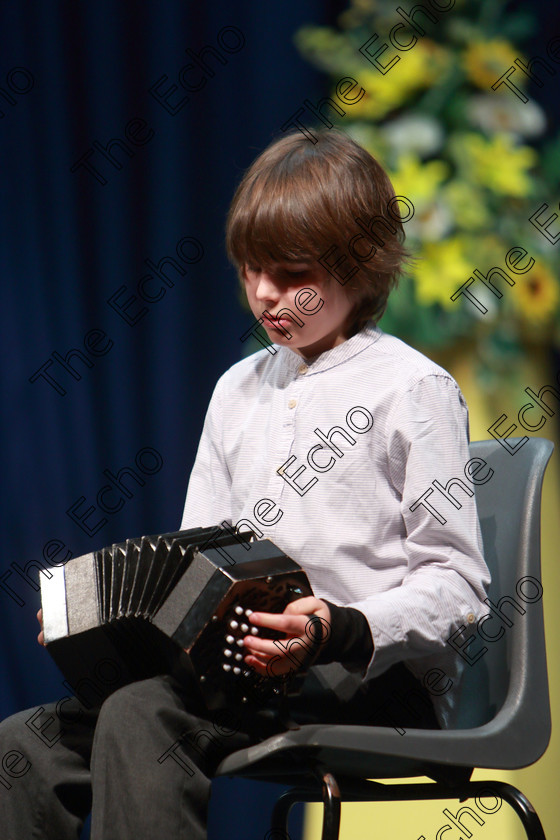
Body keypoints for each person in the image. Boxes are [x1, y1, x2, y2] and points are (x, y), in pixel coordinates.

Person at [0, 129, 490, 840]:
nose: (264, 295)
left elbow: (461, 587)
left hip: (371, 680)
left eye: (291, 275)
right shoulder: (238, 388)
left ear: (361, 264)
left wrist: (336, 626)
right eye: (249, 271)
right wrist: (97, 624)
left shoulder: (412, 388)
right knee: (24, 745)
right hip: (239, 677)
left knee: (143, 717)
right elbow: (192, 567)